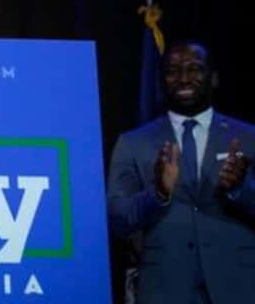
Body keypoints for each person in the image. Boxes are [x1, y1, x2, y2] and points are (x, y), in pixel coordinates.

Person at [107, 41, 255, 304]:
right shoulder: (133, 143)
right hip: (164, 289)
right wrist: (159, 194)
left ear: (214, 78)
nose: (183, 78)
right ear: (162, 81)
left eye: (194, 69)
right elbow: (117, 219)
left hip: (238, 287)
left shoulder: (248, 137)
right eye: (172, 71)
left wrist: (240, 190)